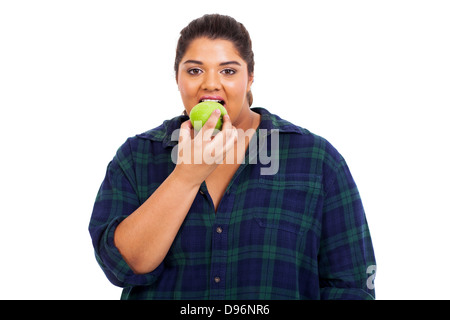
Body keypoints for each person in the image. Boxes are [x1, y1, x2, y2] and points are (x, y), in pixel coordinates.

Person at [88, 14, 376, 300]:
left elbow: (349, 288)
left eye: (228, 71)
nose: (211, 84)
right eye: (194, 71)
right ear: (177, 78)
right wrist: (186, 176)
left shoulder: (316, 161)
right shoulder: (137, 157)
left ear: (250, 78)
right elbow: (120, 266)